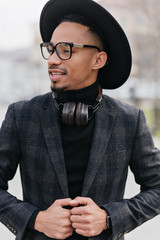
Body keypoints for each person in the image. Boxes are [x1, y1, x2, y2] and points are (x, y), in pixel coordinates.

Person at [0, 0, 160, 239]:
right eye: (51, 49)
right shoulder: (21, 115)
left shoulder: (130, 120)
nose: (52, 59)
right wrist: (36, 219)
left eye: (65, 49)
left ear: (98, 60)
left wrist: (109, 218)